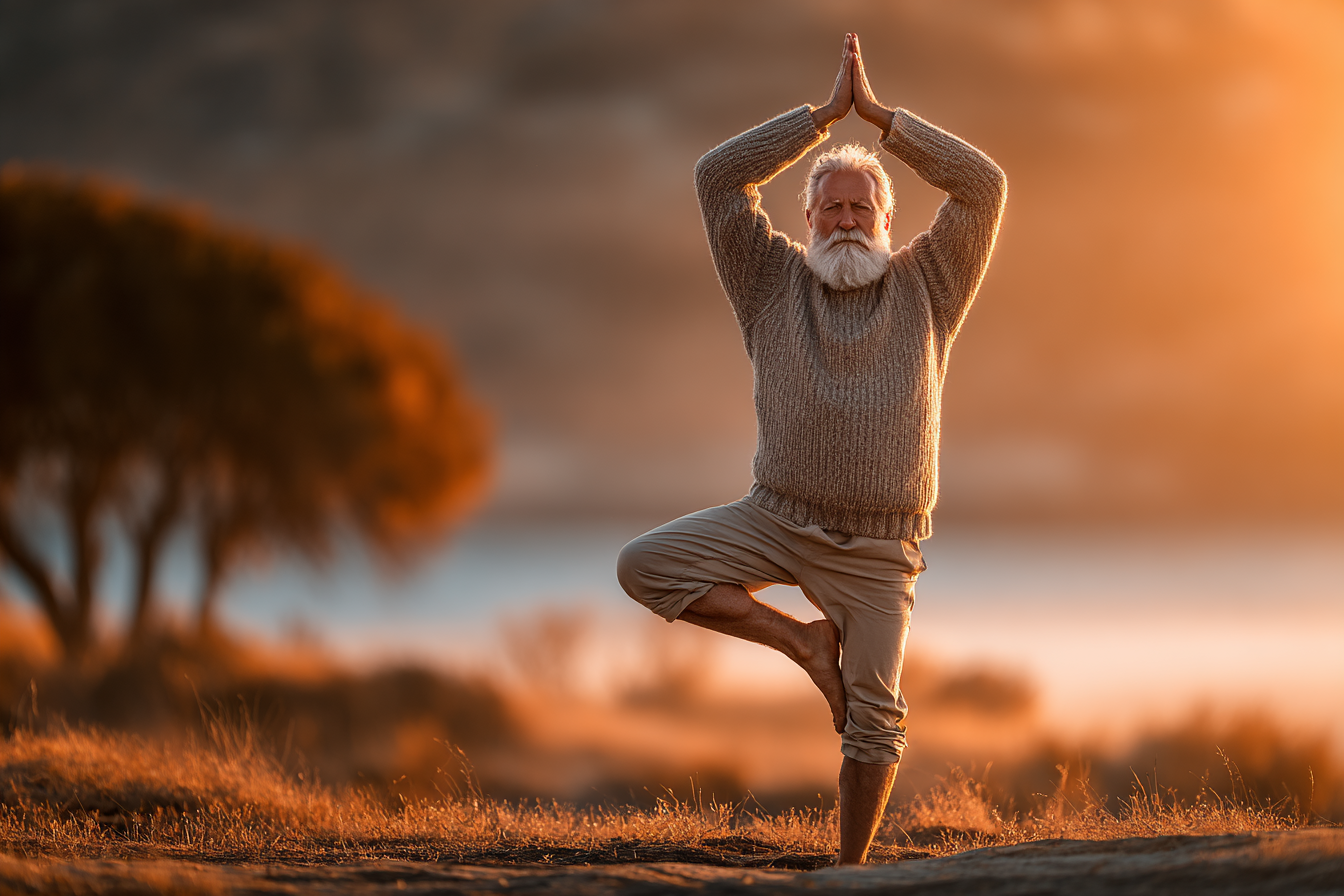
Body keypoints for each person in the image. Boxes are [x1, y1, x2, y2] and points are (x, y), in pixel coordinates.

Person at [616, 33, 1006, 865]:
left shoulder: (931, 283)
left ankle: (849, 871)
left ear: (889, 221)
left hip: (877, 548)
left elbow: (984, 186)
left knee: (875, 722)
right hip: (773, 518)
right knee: (643, 567)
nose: (845, 218)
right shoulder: (769, 279)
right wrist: (820, 120)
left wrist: (883, 122)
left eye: (862, 206)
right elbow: (716, 178)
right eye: (829, 204)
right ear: (805, 218)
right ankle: (802, 643)